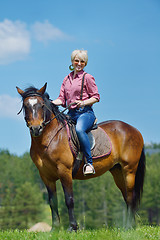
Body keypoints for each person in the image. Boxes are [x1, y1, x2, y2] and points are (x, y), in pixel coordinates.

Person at [52, 49, 100, 175]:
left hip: (85, 113)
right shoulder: (66, 79)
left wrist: (83, 102)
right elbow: (61, 99)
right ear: (72, 62)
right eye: (76, 61)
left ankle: (89, 163)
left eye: (82, 61)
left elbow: (96, 97)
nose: (79, 63)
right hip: (71, 114)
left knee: (79, 129)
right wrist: (49, 103)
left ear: (85, 63)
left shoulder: (88, 77)